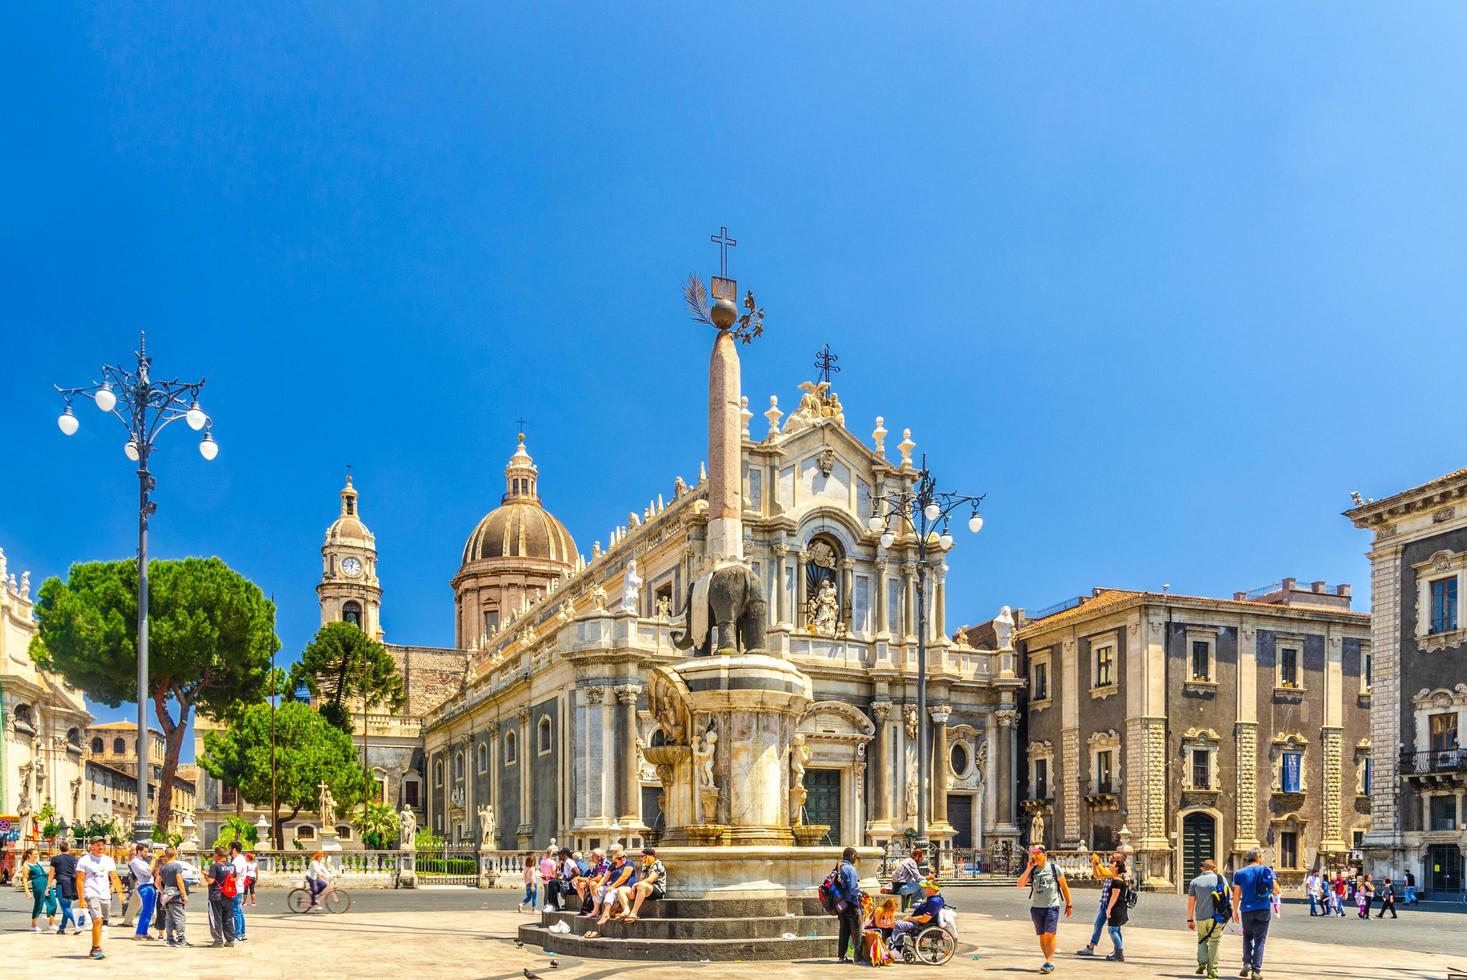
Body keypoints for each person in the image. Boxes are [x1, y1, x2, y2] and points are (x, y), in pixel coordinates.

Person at [1017, 844, 1072, 976]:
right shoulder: (1033, 870)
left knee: (1050, 934)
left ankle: (1049, 961)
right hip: (1036, 908)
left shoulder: (1054, 868)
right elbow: (1020, 885)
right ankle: (1048, 961)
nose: (1034, 856)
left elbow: (1064, 888)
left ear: (1044, 855)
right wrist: (1028, 868)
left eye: (1037, 854)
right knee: (1042, 936)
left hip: (1052, 906)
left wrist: (1069, 905)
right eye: (1033, 854)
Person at [1231, 848, 1278, 980]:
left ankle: (1246, 963)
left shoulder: (1239, 873)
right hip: (1263, 908)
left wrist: (1235, 910)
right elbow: (1277, 889)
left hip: (1246, 909)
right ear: (1258, 857)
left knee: (1247, 937)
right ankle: (1256, 971)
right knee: (1260, 940)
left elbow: (1236, 894)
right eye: (1262, 856)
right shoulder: (1266, 870)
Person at [77, 837, 123, 961]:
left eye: (102, 845)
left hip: (105, 894)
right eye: (98, 845)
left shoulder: (108, 860)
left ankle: (96, 945)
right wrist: (81, 899)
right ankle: (96, 948)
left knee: (102, 921)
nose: (101, 847)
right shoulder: (84, 860)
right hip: (91, 892)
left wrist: (120, 892)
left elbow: (114, 877)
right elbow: (80, 880)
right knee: (97, 919)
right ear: (91, 846)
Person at [1187, 858, 1227, 980]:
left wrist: (1190, 919)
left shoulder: (1195, 882)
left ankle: (1202, 963)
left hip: (1201, 917)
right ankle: (1212, 971)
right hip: (1217, 917)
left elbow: (1191, 902)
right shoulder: (1221, 879)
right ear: (1214, 868)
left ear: (1202, 868)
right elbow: (1227, 897)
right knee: (1215, 942)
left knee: (1202, 939)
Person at [1076, 851, 1122, 957]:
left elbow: (1104, 873)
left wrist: (1097, 863)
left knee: (1115, 929)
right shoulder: (1111, 870)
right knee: (1098, 925)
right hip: (1104, 903)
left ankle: (1119, 951)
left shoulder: (1118, 872)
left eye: (1115, 857)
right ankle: (1091, 947)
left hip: (1113, 905)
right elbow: (1097, 875)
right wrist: (1094, 864)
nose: (1112, 857)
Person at [589, 847, 638, 933]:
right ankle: (596, 911)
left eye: (624, 856)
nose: (622, 859)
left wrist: (612, 886)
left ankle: (606, 913)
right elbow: (605, 878)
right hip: (614, 887)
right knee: (599, 889)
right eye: (619, 858)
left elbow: (624, 877)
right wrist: (598, 885)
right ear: (615, 859)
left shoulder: (629, 863)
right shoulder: (612, 865)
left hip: (626, 887)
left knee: (610, 891)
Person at [834, 846, 867, 965]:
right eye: (855, 856)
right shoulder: (850, 869)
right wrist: (862, 892)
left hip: (841, 904)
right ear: (852, 856)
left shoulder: (839, 866)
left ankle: (841, 957)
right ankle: (858, 958)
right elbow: (853, 888)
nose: (855, 858)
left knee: (844, 931)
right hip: (852, 904)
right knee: (856, 930)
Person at [620, 847, 667, 922]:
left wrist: (637, 884)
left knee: (641, 885)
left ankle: (634, 913)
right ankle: (626, 910)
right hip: (645, 889)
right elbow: (641, 880)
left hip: (657, 890)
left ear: (649, 856)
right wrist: (635, 887)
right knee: (621, 889)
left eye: (642, 856)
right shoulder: (645, 866)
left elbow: (650, 880)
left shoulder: (658, 865)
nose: (640, 858)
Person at [158, 846, 190, 947]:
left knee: (169, 918)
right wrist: (184, 894)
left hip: (167, 896)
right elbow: (179, 881)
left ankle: (170, 940)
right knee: (180, 918)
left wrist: (163, 892)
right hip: (176, 894)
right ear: (175, 854)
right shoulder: (177, 866)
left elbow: (157, 882)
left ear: (166, 855)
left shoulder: (163, 867)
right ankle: (181, 940)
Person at [206, 846, 238, 945]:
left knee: (216, 918)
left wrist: (206, 876)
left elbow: (211, 881)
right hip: (228, 894)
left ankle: (218, 940)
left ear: (216, 854)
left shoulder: (215, 866)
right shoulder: (232, 866)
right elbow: (234, 878)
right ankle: (230, 940)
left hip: (216, 895)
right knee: (228, 917)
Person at [128, 843, 158, 941]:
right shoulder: (135, 862)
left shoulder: (143, 861)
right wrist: (153, 860)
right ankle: (139, 933)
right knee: (145, 910)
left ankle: (144, 932)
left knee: (149, 910)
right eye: (145, 851)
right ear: (139, 851)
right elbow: (148, 872)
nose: (147, 853)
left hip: (150, 885)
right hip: (145, 886)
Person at [49, 841, 79, 935]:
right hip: (72, 884)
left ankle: (77, 925)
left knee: (65, 908)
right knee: (67, 906)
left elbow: (51, 874)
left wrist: (48, 886)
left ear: (60, 848)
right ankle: (62, 927)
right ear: (69, 849)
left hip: (61, 884)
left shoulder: (55, 859)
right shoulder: (75, 859)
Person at [1102, 857, 1129, 962]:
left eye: (1112, 864)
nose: (1110, 865)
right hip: (1119, 908)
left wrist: (1108, 909)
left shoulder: (1117, 881)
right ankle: (1117, 950)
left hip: (1116, 909)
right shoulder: (1118, 879)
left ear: (1117, 868)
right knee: (1117, 930)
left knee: (1112, 930)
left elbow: (1114, 896)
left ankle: (1119, 953)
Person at [22, 848, 54, 933]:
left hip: (47, 885)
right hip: (38, 886)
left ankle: (51, 924)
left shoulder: (37, 864)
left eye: (37, 854)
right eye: (35, 854)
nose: (37, 855)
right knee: (39, 904)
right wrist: (27, 891)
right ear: (29, 855)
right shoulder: (26, 866)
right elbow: (24, 879)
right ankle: (34, 925)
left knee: (53, 903)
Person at [575, 849, 607, 915]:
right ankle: (586, 905)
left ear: (599, 857)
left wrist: (588, 882)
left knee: (592, 884)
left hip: (604, 884)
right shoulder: (596, 866)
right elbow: (590, 877)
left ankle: (595, 909)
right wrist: (578, 879)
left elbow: (599, 878)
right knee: (579, 884)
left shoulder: (605, 864)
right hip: (595, 882)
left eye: (593, 856)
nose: (591, 858)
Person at [229, 841, 249, 941]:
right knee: (239, 911)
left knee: (236, 911)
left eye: (230, 848)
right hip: (239, 887)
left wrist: (230, 880)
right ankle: (242, 933)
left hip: (236, 888)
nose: (229, 851)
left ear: (234, 849)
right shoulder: (240, 859)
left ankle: (238, 934)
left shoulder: (238, 860)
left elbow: (236, 874)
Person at [538, 847, 558, 912]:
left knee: (546, 894)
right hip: (551, 879)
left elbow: (541, 870)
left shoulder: (542, 862)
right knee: (552, 894)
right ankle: (552, 906)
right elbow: (554, 872)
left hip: (544, 879)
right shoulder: (552, 862)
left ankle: (545, 906)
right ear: (551, 853)